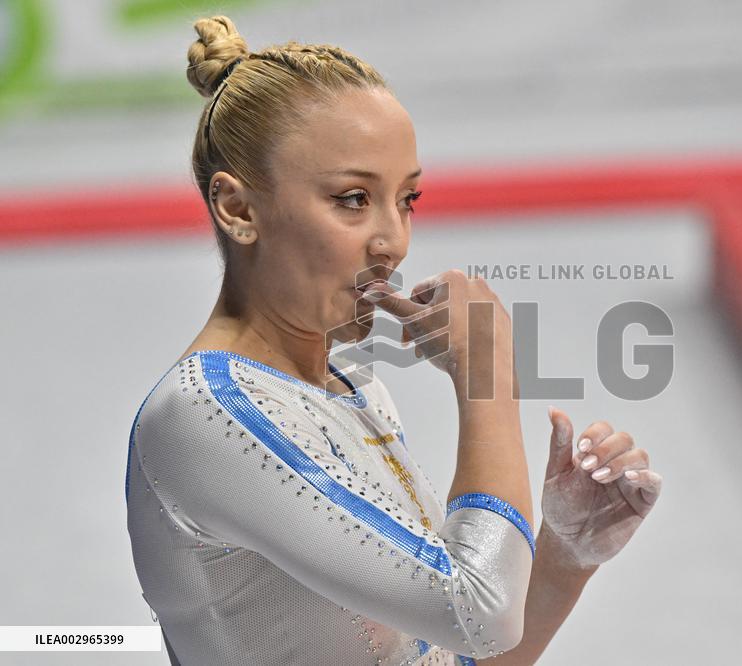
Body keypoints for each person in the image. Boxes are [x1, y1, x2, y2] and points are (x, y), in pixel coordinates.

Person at [125, 15, 662, 665]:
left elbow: (441, 652)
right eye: (352, 199)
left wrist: (564, 560)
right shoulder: (207, 417)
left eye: (406, 200)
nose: (392, 241)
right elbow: (477, 615)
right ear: (238, 209)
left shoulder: (351, 388)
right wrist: (487, 377)